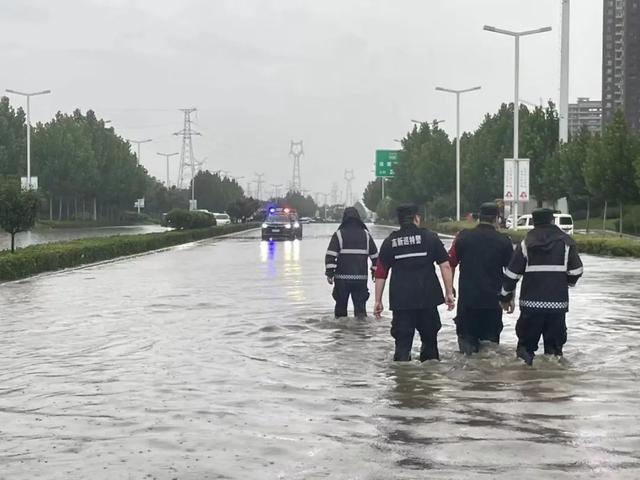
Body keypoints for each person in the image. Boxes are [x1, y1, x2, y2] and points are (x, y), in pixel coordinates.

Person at [499, 208, 584, 366]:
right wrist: (568, 282)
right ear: (552, 221)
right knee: (554, 354)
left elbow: (512, 274)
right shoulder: (566, 242)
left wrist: (504, 296)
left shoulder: (526, 242)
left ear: (534, 222)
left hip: (530, 306)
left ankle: (525, 382)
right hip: (558, 306)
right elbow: (577, 270)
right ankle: (552, 385)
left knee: (525, 351)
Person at [374, 204, 455, 361]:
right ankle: (430, 381)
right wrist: (449, 292)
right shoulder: (430, 238)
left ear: (399, 221)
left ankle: (403, 382)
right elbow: (445, 265)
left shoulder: (390, 242)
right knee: (430, 344)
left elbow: (381, 272)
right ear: (416, 218)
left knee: (402, 346)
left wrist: (378, 300)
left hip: (401, 302)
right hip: (428, 299)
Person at [449, 202, 514, 355]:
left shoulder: (462, 237)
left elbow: (450, 264)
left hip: (467, 304)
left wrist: (449, 288)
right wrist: (509, 298)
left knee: (467, 354)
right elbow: (511, 273)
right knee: (490, 354)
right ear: (497, 219)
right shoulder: (504, 241)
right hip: (492, 305)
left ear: (479, 217)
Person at [325, 207, 378, 318]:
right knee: (361, 314)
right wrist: (374, 273)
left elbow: (331, 256)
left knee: (340, 312)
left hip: (341, 280)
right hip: (361, 279)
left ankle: (340, 333)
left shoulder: (339, 234)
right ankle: (361, 332)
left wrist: (330, 274)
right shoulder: (366, 235)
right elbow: (375, 258)